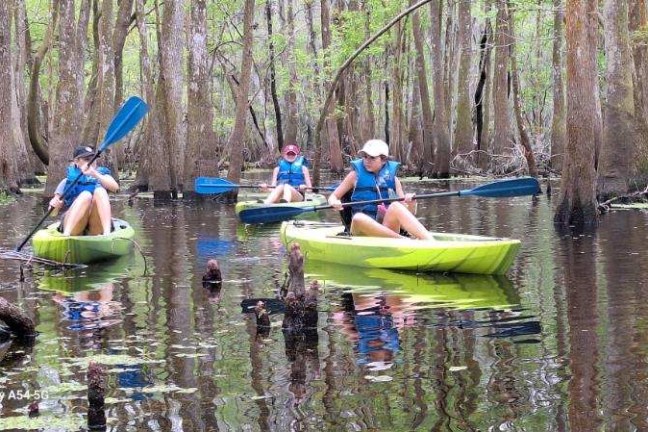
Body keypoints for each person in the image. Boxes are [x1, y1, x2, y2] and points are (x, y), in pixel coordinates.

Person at [327, 139, 433, 240]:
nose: (367, 161)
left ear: (383, 160)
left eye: (372, 158)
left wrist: (411, 204)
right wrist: (334, 202)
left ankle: (430, 242)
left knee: (396, 206)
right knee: (359, 218)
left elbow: (406, 216)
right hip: (361, 231)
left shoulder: (394, 180)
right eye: (365, 157)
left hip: (387, 230)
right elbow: (334, 196)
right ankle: (405, 241)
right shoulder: (354, 176)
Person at [48, 145, 119, 236]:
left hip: (96, 226)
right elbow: (53, 213)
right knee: (86, 195)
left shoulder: (102, 176)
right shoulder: (66, 181)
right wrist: (54, 206)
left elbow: (116, 188)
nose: (91, 162)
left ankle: (107, 234)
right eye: (87, 159)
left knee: (100, 191)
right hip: (74, 226)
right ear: (76, 161)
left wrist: (95, 174)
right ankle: (66, 236)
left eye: (93, 158)